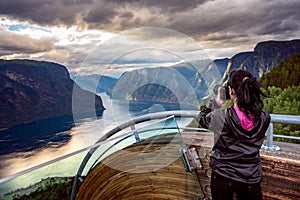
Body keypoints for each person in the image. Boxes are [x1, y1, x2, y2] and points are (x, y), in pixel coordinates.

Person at [196, 70, 270, 200]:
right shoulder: (264, 117)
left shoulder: (220, 116)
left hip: (223, 175)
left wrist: (217, 101)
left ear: (230, 91)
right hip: (251, 177)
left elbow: (201, 118)